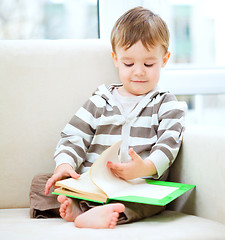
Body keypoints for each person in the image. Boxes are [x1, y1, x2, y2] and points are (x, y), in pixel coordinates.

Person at [30, 6, 185, 229]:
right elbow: (73, 135)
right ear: (115, 59)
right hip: (91, 184)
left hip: (137, 186)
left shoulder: (166, 103)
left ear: (165, 59)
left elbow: (169, 144)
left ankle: (92, 212)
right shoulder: (100, 99)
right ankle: (80, 207)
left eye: (149, 64)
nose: (139, 72)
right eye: (129, 64)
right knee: (40, 184)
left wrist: (145, 168)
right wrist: (64, 165)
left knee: (155, 200)